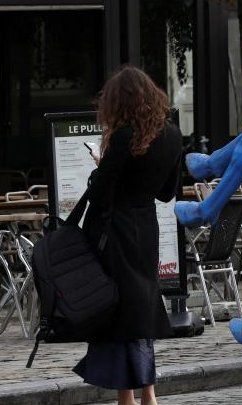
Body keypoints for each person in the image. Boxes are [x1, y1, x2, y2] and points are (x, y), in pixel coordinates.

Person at [73, 66, 182, 405]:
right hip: (146, 228)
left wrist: (100, 162)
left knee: (120, 312)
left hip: (116, 230)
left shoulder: (123, 137)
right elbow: (167, 192)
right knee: (138, 309)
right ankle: (146, 393)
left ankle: (129, 399)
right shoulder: (172, 135)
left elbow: (100, 190)